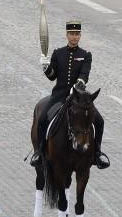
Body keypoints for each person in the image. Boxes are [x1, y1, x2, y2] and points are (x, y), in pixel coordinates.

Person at [30, 21, 109, 170]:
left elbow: (84, 75)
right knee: (41, 119)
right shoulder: (58, 53)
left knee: (99, 121)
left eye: (77, 34)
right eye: (71, 34)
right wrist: (46, 68)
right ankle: (40, 152)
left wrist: (77, 86)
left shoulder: (85, 55)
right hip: (59, 96)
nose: (74, 37)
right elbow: (52, 76)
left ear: (80, 36)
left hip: (78, 98)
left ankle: (97, 153)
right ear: (67, 35)